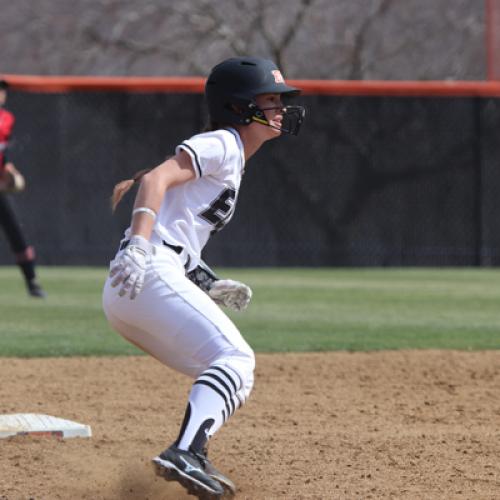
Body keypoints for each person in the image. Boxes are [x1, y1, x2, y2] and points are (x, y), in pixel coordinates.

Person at [102, 56, 305, 499]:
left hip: (134, 288)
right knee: (236, 360)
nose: (279, 109)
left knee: (221, 368)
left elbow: (178, 231)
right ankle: (184, 452)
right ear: (238, 107)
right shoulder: (224, 143)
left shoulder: (233, 156)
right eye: (269, 100)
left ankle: (193, 451)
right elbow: (155, 179)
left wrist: (206, 281)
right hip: (145, 271)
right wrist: (139, 244)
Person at [0, 79, 45, 298]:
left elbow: (4, 152)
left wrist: (8, 168)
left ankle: (32, 282)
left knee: (16, 231)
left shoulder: (7, 119)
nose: (1, 93)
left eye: (3, 90)